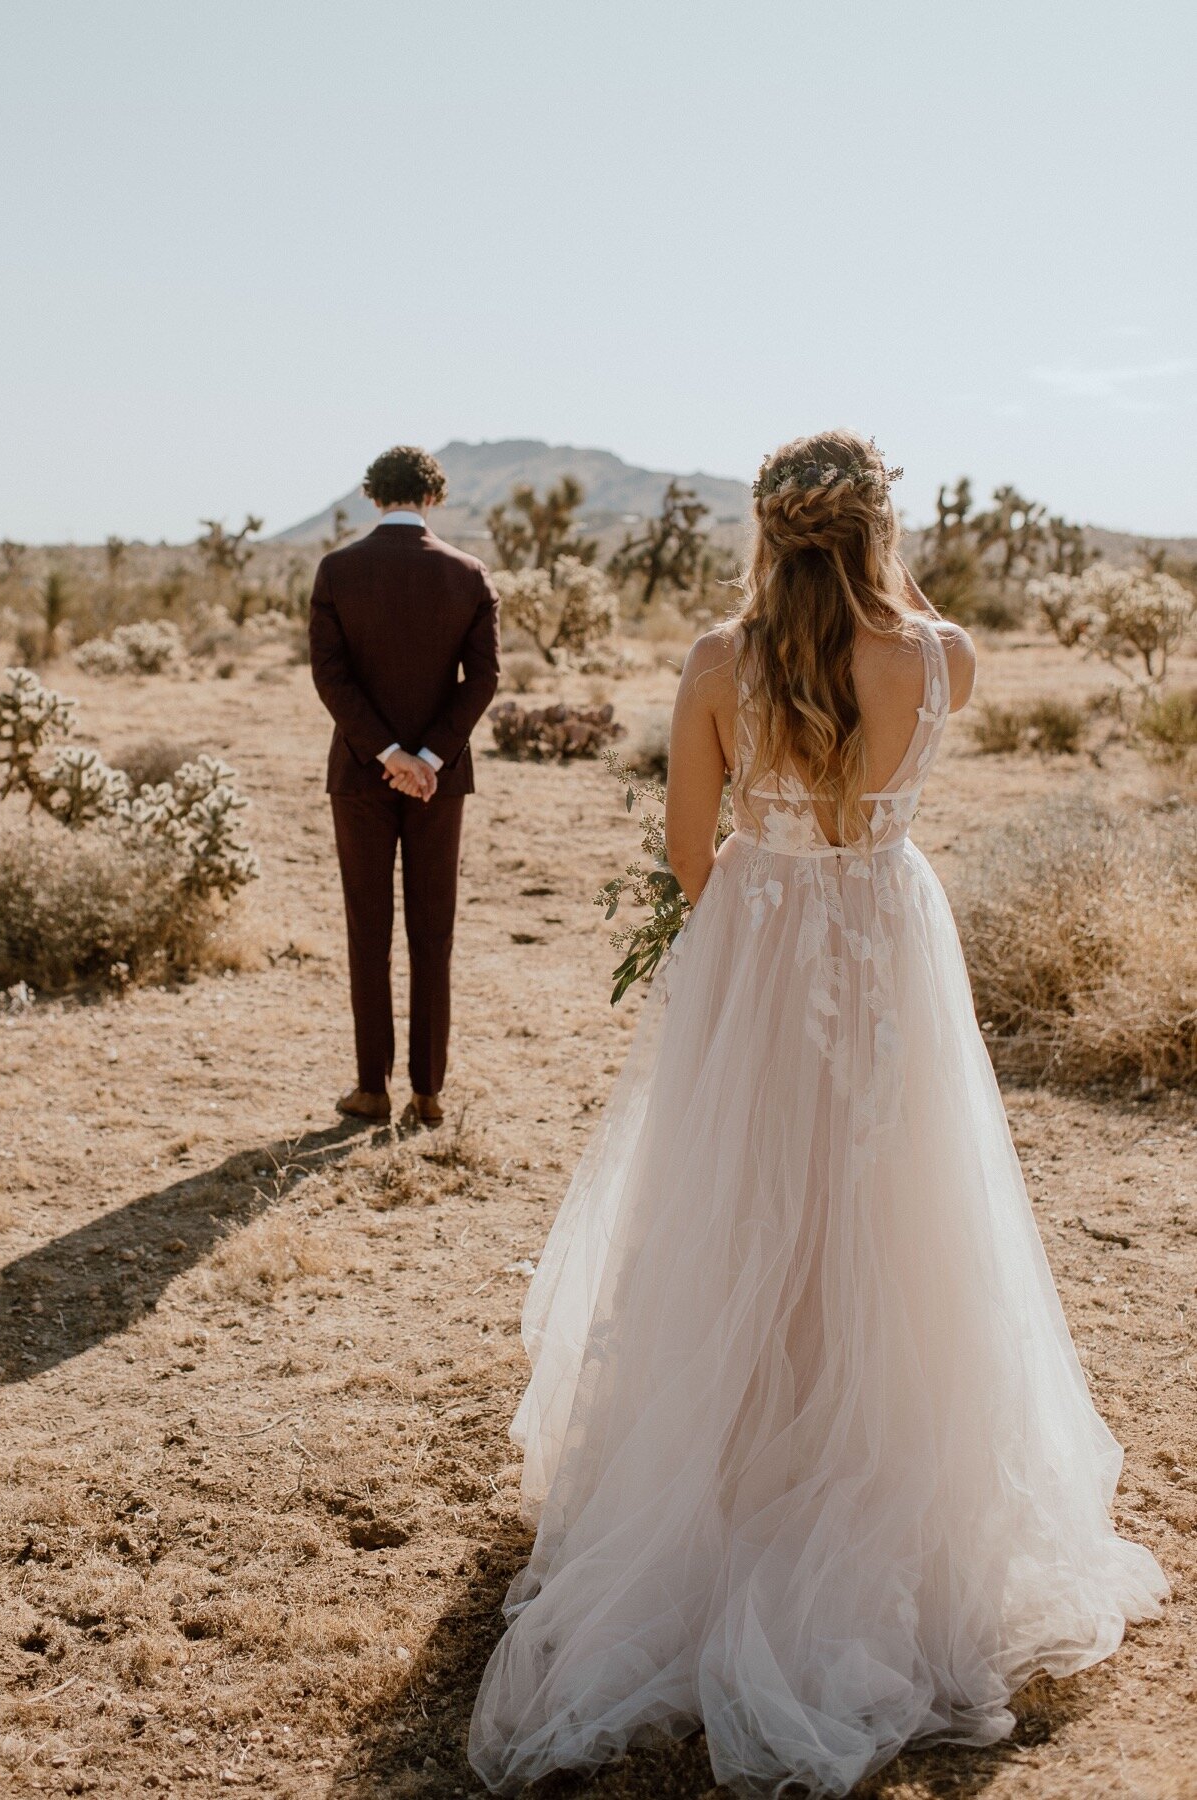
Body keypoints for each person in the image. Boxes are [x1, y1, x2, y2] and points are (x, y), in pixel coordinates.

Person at [469, 430, 1165, 1796]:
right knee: (897, 1202)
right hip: (892, 943)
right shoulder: (944, 655)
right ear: (878, 520)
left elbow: (686, 852)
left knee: (738, 1198)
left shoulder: (718, 666)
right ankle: (886, 1478)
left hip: (762, 947)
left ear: (769, 525)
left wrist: (761, 864)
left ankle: (736, 1465)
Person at [309, 444, 499, 1128]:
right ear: (433, 498)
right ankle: (429, 1092)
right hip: (438, 785)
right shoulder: (468, 575)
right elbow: (483, 680)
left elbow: (331, 676)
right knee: (432, 933)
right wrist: (427, 757)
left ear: (372, 494)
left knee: (370, 932)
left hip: (360, 776)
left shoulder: (338, 570)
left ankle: (371, 1088)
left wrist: (388, 753)